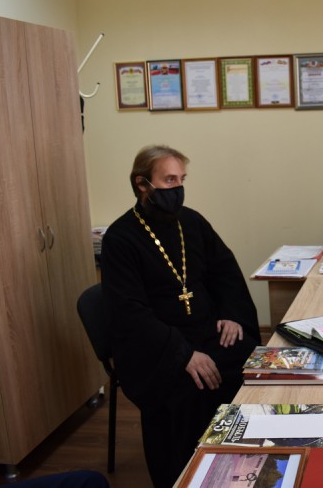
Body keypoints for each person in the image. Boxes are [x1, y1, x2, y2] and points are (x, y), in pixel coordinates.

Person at [100, 145, 260, 488]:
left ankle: (244, 464)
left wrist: (231, 314)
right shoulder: (121, 238)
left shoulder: (192, 221)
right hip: (156, 347)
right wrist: (183, 354)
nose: (178, 188)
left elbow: (225, 271)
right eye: (169, 180)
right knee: (191, 387)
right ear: (142, 184)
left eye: (181, 180)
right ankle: (187, 478)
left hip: (205, 330)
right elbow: (130, 313)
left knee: (248, 358)